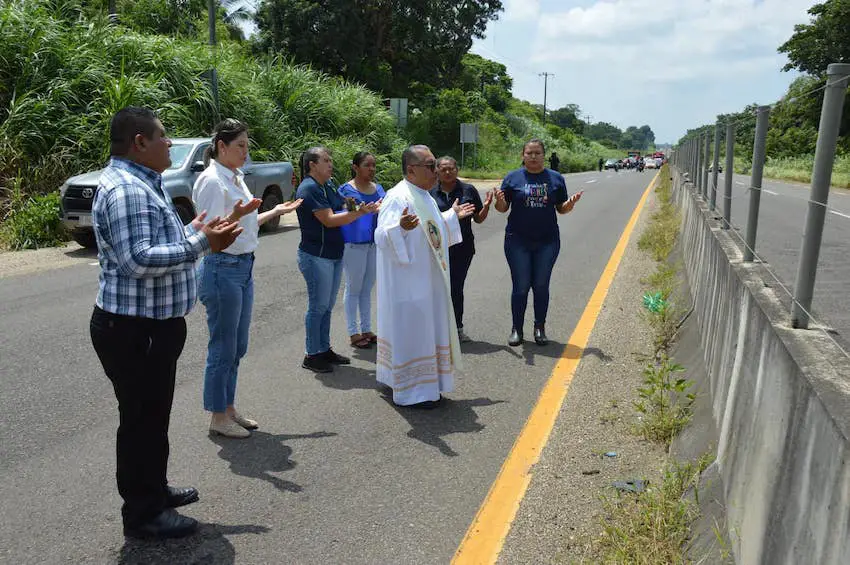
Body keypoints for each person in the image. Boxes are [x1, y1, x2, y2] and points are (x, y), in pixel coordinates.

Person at [90, 107, 243, 539]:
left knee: (153, 417)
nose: (170, 143)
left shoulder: (143, 182)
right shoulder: (126, 190)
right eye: (162, 136)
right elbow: (138, 259)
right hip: (133, 329)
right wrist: (202, 242)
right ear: (139, 142)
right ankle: (143, 514)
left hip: (150, 326)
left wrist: (193, 228)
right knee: (141, 420)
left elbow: (153, 241)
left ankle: (154, 490)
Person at [193, 119, 302, 438]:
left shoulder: (234, 177)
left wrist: (276, 211)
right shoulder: (213, 181)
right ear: (221, 147)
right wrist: (239, 216)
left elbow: (246, 221)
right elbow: (212, 231)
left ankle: (228, 407)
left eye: (247, 145)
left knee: (237, 345)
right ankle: (217, 416)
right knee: (223, 345)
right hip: (222, 266)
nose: (246, 151)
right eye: (240, 145)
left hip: (242, 266)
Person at [375, 145, 476, 407]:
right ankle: (414, 392)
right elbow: (381, 236)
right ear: (411, 169)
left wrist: (451, 217)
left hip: (427, 280)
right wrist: (399, 228)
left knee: (427, 331)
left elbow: (431, 229)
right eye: (431, 166)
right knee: (414, 333)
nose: (435, 171)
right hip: (408, 285)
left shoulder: (424, 195)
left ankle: (425, 385)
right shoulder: (398, 197)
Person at [295, 146, 380, 373]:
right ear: (312, 164)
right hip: (316, 255)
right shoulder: (309, 188)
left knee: (326, 306)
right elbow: (329, 220)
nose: (331, 163)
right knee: (318, 306)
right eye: (326, 160)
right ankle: (312, 354)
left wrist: (362, 207)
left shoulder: (328, 184)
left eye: (330, 159)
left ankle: (324, 349)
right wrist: (361, 213)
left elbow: (344, 204)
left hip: (333, 253)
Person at [494, 139, 582, 347]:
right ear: (523, 155)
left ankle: (539, 327)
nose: (533, 157)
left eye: (537, 153)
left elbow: (560, 208)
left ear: (544, 155)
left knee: (541, 285)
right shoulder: (512, 178)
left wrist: (569, 205)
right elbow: (502, 208)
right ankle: (517, 329)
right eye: (529, 153)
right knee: (521, 286)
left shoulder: (556, 178)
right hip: (517, 240)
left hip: (547, 241)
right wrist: (499, 199)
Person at [428, 156, 492, 342]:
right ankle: (436, 329)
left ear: (457, 169)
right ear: (437, 171)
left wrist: (486, 206)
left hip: (462, 249)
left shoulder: (468, 190)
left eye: (451, 168)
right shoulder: (430, 193)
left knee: (456, 288)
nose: (448, 172)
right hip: (436, 248)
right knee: (436, 288)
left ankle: (457, 328)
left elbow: (478, 218)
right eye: (443, 169)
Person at [338, 151, 386, 349]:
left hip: (373, 243)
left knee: (366, 288)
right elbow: (349, 212)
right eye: (367, 165)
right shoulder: (346, 190)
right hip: (353, 244)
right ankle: (353, 332)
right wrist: (364, 209)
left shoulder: (379, 188)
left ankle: (367, 328)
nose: (371, 169)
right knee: (353, 287)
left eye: (373, 165)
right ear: (355, 167)